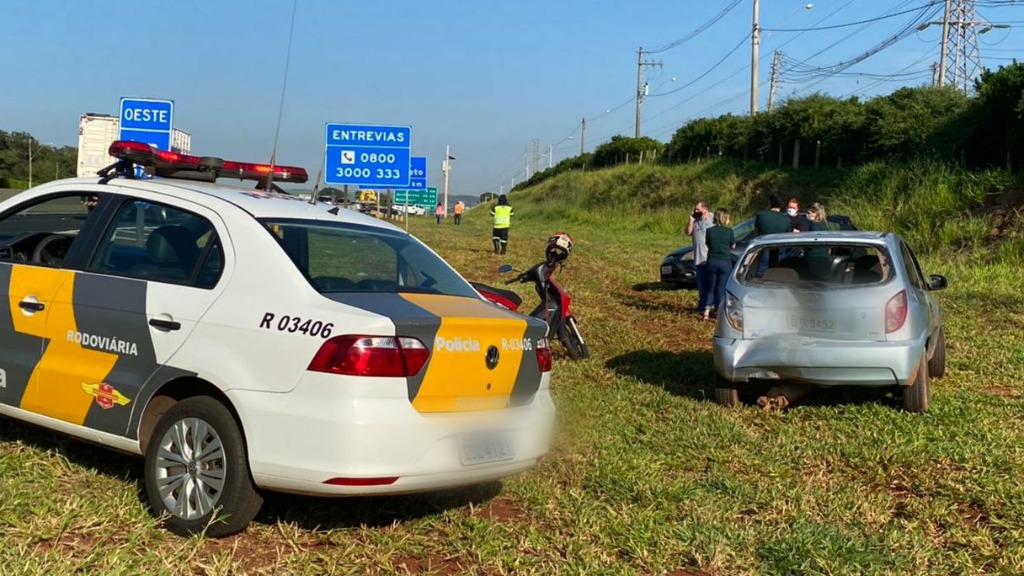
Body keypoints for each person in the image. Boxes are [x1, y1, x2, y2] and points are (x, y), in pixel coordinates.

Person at [704, 208, 735, 320]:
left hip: (712, 261)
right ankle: (719, 310)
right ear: (725, 218)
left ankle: (706, 311)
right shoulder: (729, 231)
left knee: (711, 287)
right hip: (725, 261)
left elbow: (708, 244)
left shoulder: (709, 231)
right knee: (721, 288)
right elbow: (733, 245)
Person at [753, 195, 792, 276]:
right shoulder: (786, 220)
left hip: (764, 249)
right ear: (781, 205)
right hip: (780, 252)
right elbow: (788, 236)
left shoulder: (761, 215)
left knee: (761, 276)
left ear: (769, 203)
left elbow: (756, 230)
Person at [685, 200, 712, 314]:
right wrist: (691, 221)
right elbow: (687, 232)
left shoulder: (713, 220)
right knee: (701, 284)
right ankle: (702, 305)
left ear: (705, 209)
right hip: (698, 258)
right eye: (695, 209)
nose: (696, 211)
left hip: (709, 257)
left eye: (698, 209)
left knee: (711, 283)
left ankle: (710, 306)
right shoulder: (695, 220)